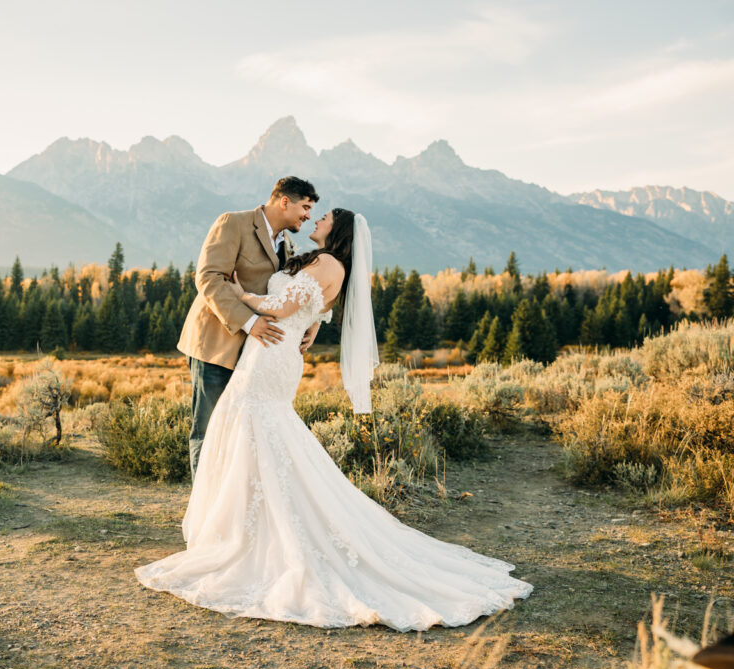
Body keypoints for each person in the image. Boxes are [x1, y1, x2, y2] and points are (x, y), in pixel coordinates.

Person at [137, 208, 533, 630]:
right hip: (275, 353)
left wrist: (243, 296)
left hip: (268, 352)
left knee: (258, 433)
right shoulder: (327, 265)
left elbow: (280, 304)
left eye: (321, 216)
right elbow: (315, 307)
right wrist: (313, 324)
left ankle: (254, 534)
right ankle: (246, 525)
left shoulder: (327, 262)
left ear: (337, 229)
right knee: (260, 437)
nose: (314, 220)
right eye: (311, 211)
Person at [177, 176, 319, 478]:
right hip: (215, 343)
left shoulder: (287, 244)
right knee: (209, 429)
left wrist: (312, 321)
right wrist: (250, 322)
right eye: (304, 207)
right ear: (284, 202)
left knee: (239, 433)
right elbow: (209, 279)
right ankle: (204, 517)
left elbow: (289, 294)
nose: (308, 215)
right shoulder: (233, 223)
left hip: (254, 356)